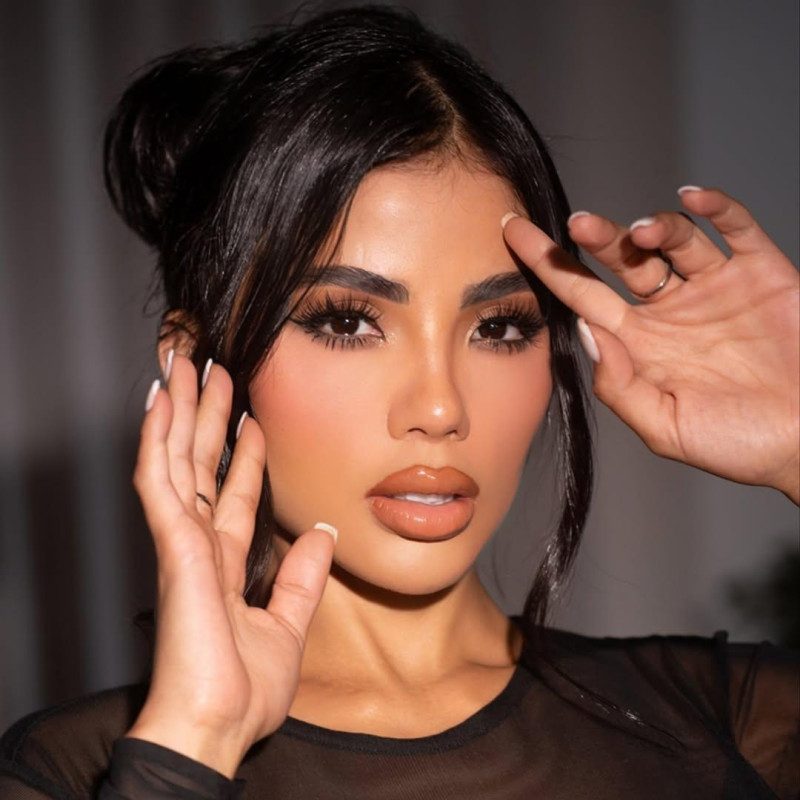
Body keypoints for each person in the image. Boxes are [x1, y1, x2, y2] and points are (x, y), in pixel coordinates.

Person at [1, 6, 797, 799]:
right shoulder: (74, 769)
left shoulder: (730, 720)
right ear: (192, 364)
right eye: (347, 322)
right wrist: (193, 742)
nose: (442, 408)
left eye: (499, 326)